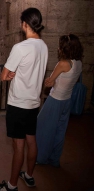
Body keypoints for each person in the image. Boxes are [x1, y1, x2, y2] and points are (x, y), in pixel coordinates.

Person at [0, 8, 48, 191]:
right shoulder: (44, 46)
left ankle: (11, 186)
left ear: (25, 23)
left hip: (18, 104)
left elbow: (3, 76)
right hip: (33, 103)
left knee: (18, 146)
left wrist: (10, 75)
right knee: (32, 141)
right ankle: (29, 176)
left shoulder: (20, 47)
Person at [36, 34, 83, 167]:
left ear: (64, 48)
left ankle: (41, 157)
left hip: (55, 100)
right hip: (67, 101)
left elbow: (49, 82)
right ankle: (54, 159)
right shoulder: (79, 63)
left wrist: (47, 81)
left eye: (60, 45)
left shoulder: (63, 63)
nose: (58, 48)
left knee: (42, 127)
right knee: (59, 131)